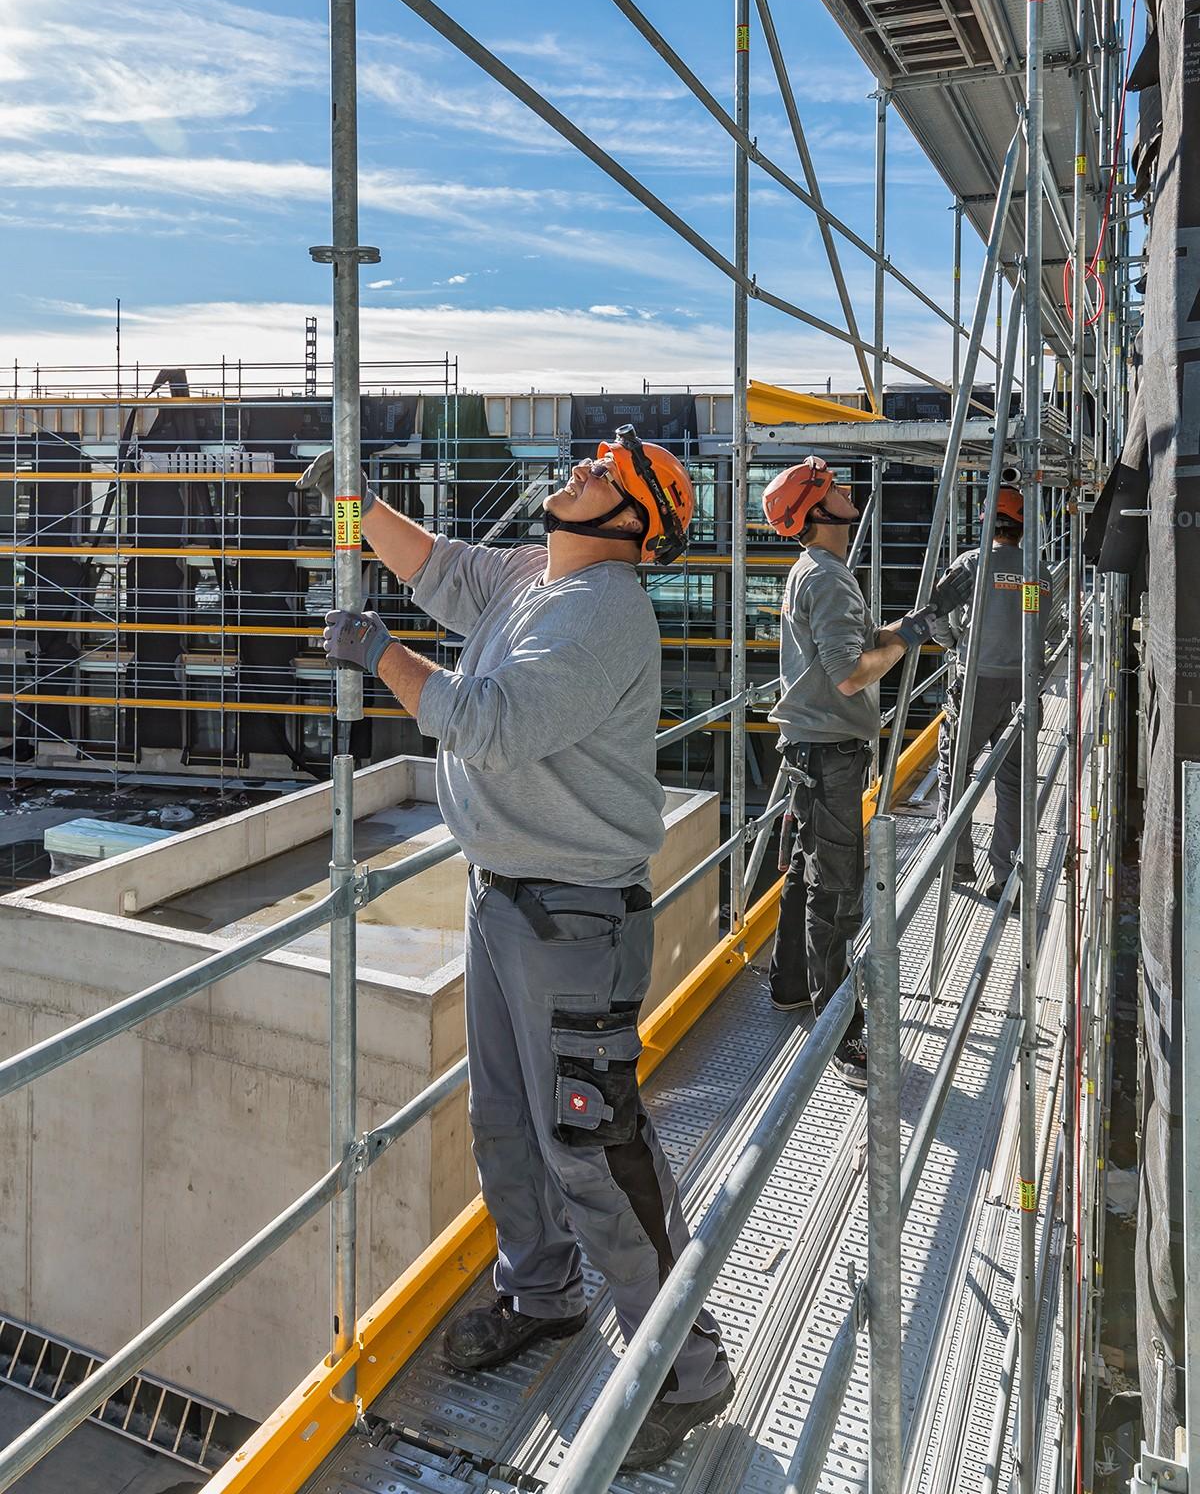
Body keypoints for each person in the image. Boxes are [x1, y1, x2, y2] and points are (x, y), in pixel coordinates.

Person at [300, 428, 734, 1472]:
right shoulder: (539, 571)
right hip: (505, 899)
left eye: (602, 472)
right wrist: (351, 505)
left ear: (632, 523)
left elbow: (484, 722)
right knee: (506, 1121)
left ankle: (685, 1368)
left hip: (575, 917)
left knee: (590, 1140)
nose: (578, 469)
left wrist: (381, 655)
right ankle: (544, 1290)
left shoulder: (600, 612)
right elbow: (439, 566)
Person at [760, 456, 930, 1086]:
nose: (846, 491)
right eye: (832, 489)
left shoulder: (817, 571)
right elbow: (850, 672)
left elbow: (852, 647)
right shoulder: (828, 578)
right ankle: (843, 1032)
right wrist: (906, 642)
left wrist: (901, 628)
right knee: (836, 888)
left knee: (806, 871)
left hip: (810, 748)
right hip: (829, 753)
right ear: (816, 512)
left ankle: (790, 986)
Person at [929, 483, 1053, 899]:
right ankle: (1005, 878)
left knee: (956, 769)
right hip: (1021, 685)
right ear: (1021, 526)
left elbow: (936, 614)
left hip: (976, 682)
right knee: (1014, 782)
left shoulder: (971, 565)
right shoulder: (1036, 572)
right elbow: (1037, 625)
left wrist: (953, 642)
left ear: (987, 523)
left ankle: (957, 860)